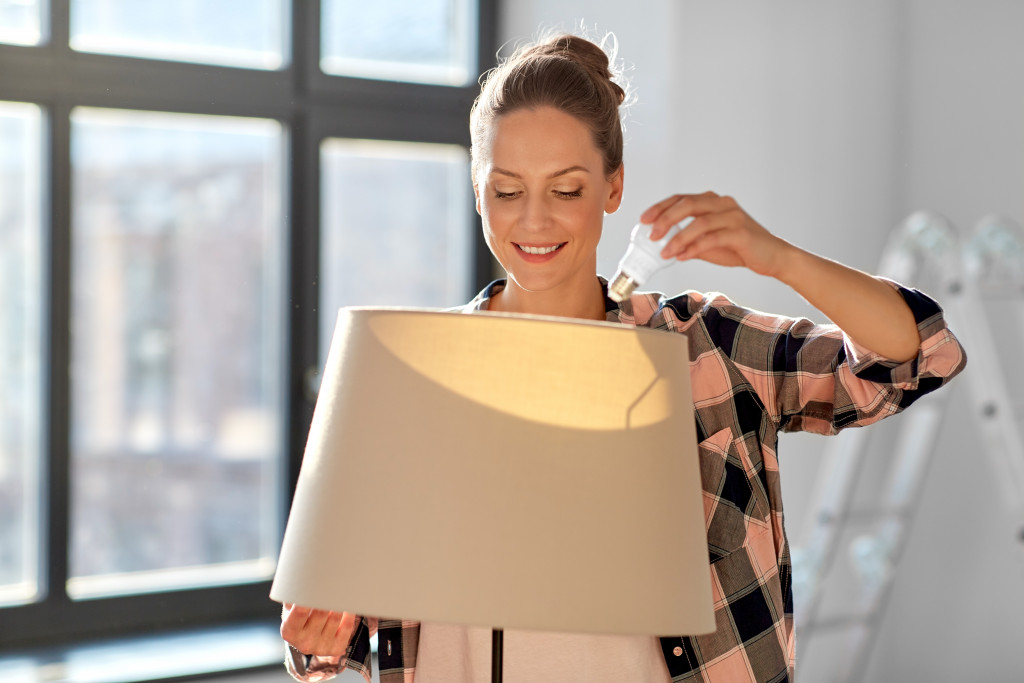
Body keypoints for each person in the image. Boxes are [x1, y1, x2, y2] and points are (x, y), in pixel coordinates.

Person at [279, 32, 966, 683]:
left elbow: (911, 356)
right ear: (478, 188)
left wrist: (776, 256)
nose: (534, 220)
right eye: (507, 190)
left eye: (567, 189)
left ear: (613, 188)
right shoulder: (419, 378)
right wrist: (316, 644)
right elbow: (342, 629)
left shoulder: (701, 347)